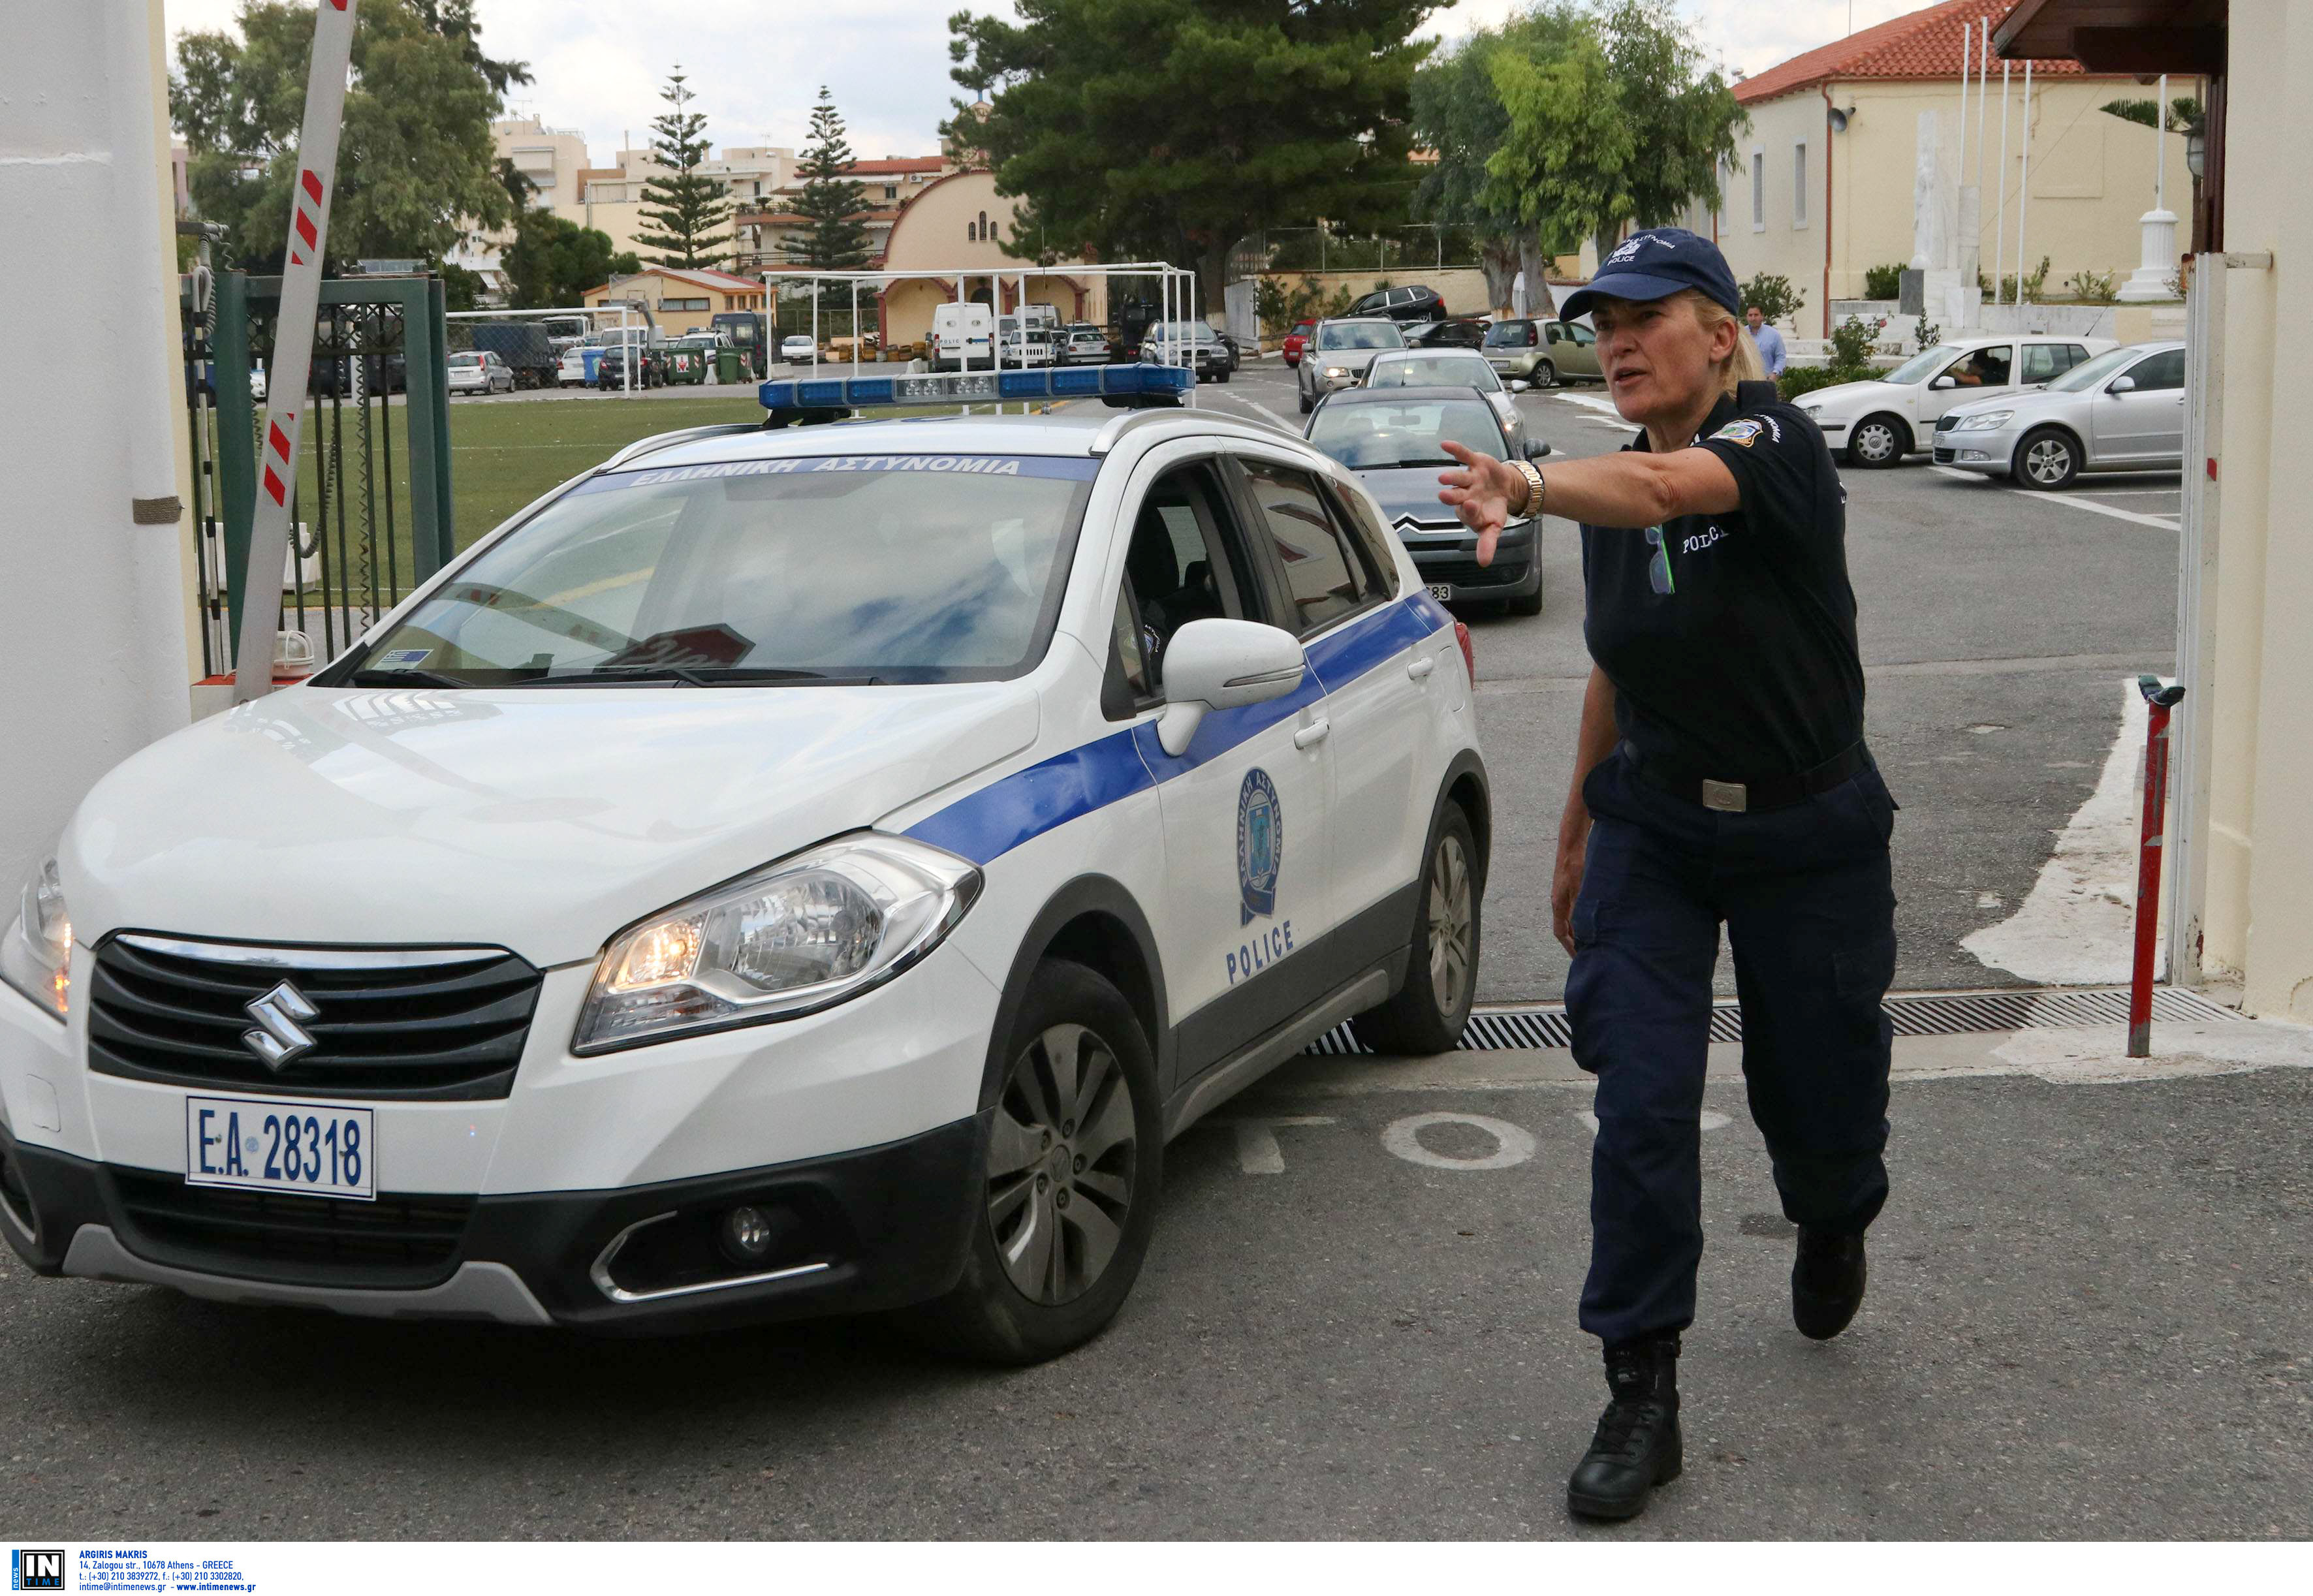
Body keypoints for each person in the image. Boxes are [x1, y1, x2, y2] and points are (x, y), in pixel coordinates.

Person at [1437, 228, 1896, 1523]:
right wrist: (1581, 824)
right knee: (1638, 1100)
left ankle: (1830, 1209)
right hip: (1658, 826)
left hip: (1806, 831)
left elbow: (1665, 496)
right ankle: (1641, 1388)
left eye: (1648, 315)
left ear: (1722, 332)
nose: (1618, 339)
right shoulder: (1610, 479)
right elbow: (1616, 660)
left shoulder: (1773, 448)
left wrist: (1522, 485)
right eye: (1602, 322)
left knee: (1814, 1091)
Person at [1745, 303, 1787, 375]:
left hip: (1767, 381)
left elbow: (1781, 357)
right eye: (1750, 315)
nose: (1753, 318)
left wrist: (1775, 373)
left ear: (1762, 316)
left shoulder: (1774, 334)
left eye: (1756, 315)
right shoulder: (1741, 334)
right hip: (1746, 380)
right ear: (1747, 317)